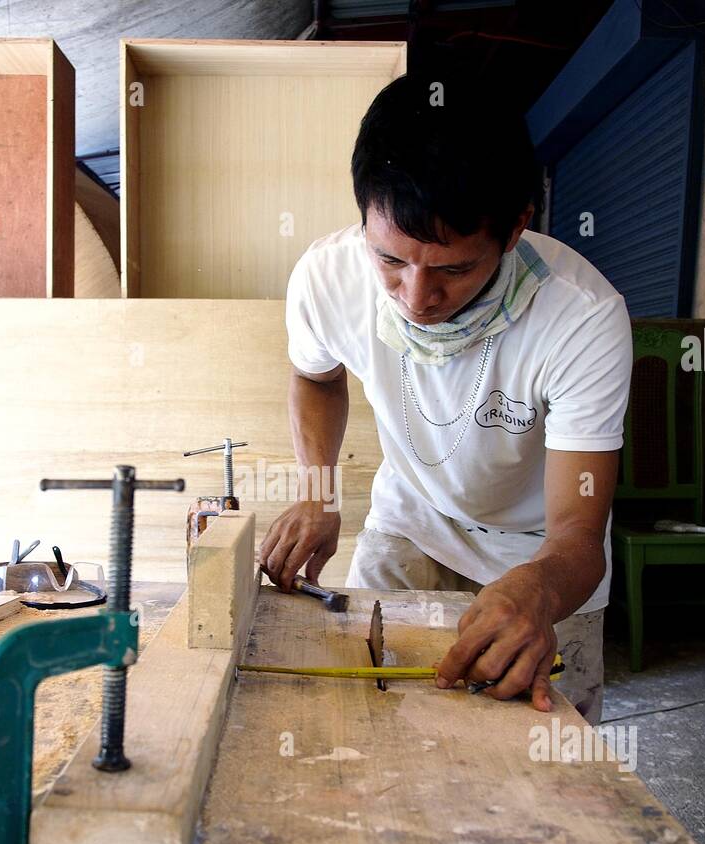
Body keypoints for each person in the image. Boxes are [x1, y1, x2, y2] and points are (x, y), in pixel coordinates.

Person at [259, 70, 632, 724]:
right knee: (363, 722)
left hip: (541, 557)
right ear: (364, 220)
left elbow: (578, 531)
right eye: (390, 261)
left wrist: (540, 590)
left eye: (453, 269)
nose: (415, 296)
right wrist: (319, 492)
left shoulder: (583, 317)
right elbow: (316, 377)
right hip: (411, 523)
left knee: (547, 771)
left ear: (515, 228)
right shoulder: (328, 277)